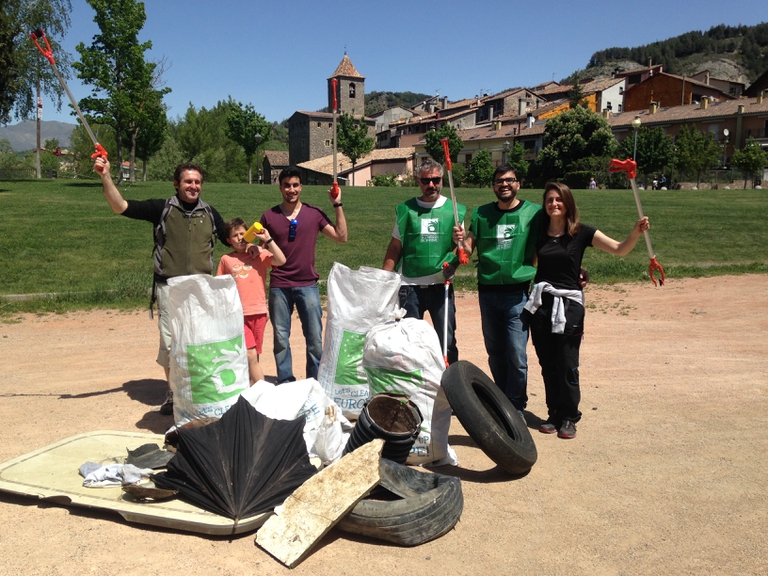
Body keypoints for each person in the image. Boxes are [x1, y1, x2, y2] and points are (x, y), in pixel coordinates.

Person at [94, 157, 229, 415]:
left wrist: (256, 241)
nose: (193, 186)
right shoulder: (162, 208)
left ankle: (197, 390)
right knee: (170, 343)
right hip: (170, 288)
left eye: (197, 182)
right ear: (176, 184)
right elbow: (120, 206)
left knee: (199, 342)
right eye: (188, 181)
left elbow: (232, 240)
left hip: (200, 289)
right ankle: (172, 393)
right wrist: (106, 176)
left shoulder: (210, 213)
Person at [525, 181, 650, 439]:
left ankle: (570, 417)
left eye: (559, 199)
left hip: (569, 307)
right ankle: (554, 413)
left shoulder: (581, 233)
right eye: (549, 200)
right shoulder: (539, 233)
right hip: (542, 306)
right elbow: (532, 263)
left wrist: (635, 233)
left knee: (567, 363)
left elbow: (619, 249)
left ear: (568, 203)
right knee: (548, 364)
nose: (554, 204)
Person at [453, 165, 541, 415]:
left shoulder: (533, 213)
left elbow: (550, 243)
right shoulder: (481, 214)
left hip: (518, 293)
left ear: (518, 184)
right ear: (493, 186)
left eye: (510, 180)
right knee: (495, 352)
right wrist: (459, 242)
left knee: (516, 354)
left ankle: (516, 407)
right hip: (488, 292)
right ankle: (502, 402)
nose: (504, 184)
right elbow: (469, 248)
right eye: (499, 181)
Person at [260, 167, 347, 383]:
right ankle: (286, 382)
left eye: (295, 185)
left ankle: (314, 382)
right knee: (281, 338)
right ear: (280, 187)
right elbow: (261, 251)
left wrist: (337, 204)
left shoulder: (314, 214)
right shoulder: (269, 216)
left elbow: (341, 236)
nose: (291, 189)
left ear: (301, 187)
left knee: (315, 339)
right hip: (279, 285)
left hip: (307, 284)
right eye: (287, 185)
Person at [383, 158, 466, 364]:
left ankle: (451, 388)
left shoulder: (454, 210)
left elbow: (460, 249)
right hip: (409, 286)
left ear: (441, 180)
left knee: (446, 342)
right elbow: (395, 247)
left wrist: (456, 254)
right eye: (426, 181)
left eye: (436, 180)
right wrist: (383, 280)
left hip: (441, 286)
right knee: (410, 343)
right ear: (418, 182)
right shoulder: (406, 210)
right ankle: (414, 391)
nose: (431, 185)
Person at [216, 218, 286, 384]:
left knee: (255, 355)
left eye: (243, 233)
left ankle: (251, 390)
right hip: (238, 313)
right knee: (250, 354)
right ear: (228, 240)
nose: (240, 238)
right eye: (235, 235)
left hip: (259, 312)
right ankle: (263, 393)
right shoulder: (226, 259)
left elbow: (281, 260)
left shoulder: (258, 254)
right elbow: (219, 287)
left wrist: (266, 240)